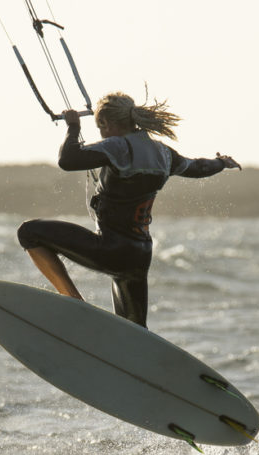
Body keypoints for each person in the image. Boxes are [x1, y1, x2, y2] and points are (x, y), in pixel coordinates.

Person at [16, 91, 240, 328]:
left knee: (29, 233)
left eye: (100, 128)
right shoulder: (164, 153)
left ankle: (72, 300)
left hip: (111, 249)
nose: (101, 134)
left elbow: (68, 160)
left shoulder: (117, 147)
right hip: (140, 257)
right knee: (134, 331)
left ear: (106, 123)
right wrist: (221, 163)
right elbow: (198, 167)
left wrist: (73, 127)